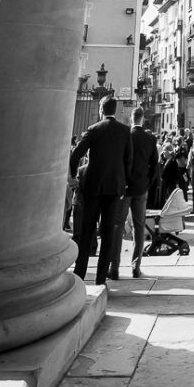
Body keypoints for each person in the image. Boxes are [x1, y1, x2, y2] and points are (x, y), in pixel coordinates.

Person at [69, 96, 132, 285]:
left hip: (93, 187)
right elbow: (128, 161)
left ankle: (80, 274)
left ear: (100, 109)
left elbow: (75, 155)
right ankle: (100, 279)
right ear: (116, 110)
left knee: (87, 231)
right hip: (114, 188)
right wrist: (124, 183)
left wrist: (73, 175)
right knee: (108, 234)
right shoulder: (124, 131)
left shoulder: (93, 130)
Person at [109, 107, 159, 280]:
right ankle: (135, 268)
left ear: (131, 118)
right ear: (142, 119)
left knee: (118, 227)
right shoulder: (150, 138)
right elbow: (155, 166)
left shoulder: (125, 135)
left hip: (124, 189)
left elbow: (117, 162)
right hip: (141, 189)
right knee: (139, 227)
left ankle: (113, 268)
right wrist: (147, 184)